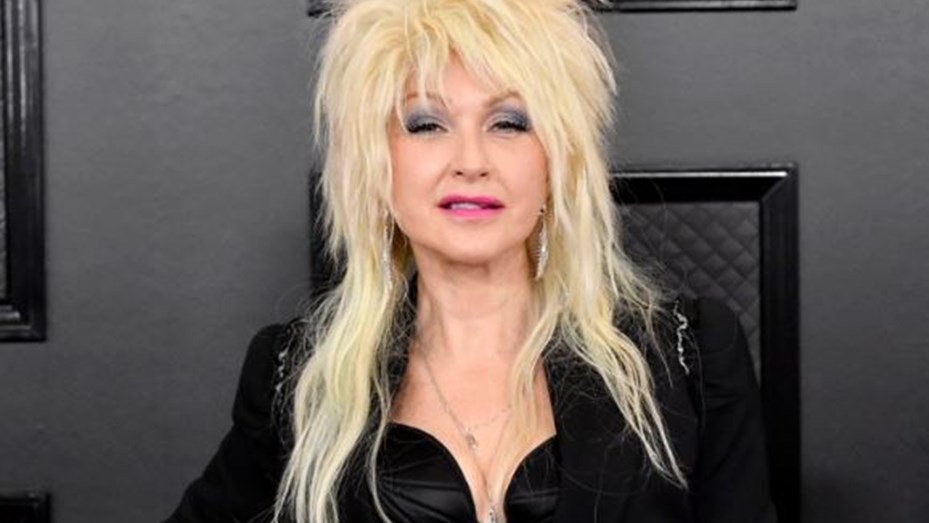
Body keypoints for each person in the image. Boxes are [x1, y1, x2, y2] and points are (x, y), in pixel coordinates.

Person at [165, 0, 775, 522]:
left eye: (508, 122)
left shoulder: (691, 357)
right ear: (376, 166)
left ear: (557, 162)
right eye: (426, 124)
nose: (471, 161)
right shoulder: (298, 377)